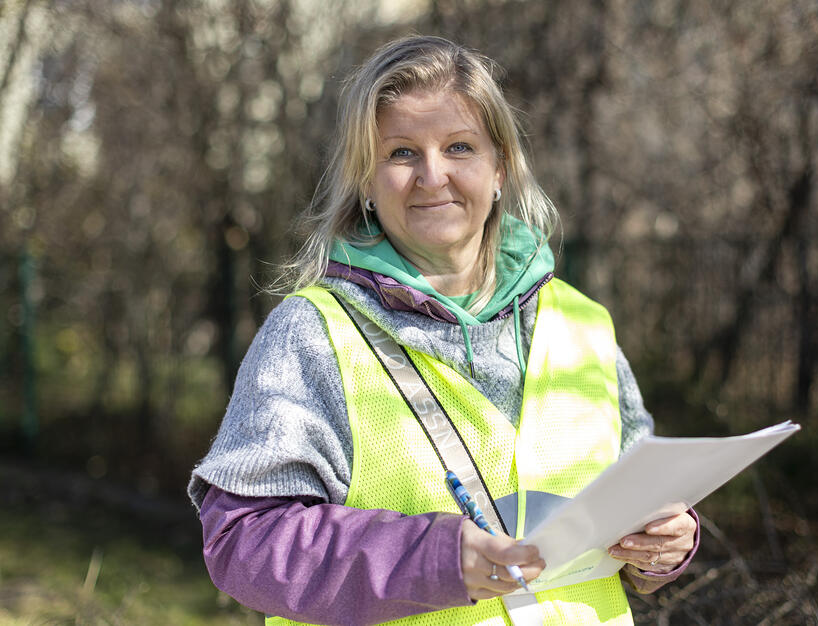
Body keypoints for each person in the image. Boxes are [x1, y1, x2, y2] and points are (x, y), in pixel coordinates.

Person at [188, 35, 698, 626]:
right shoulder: (312, 334)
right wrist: (432, 559)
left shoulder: (583, 324)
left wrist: (665, 544)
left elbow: (642, 494)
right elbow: (244, 542)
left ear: (500, 167)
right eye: (402, 153)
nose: (433, 176)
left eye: (460, 146)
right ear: (365, 182)